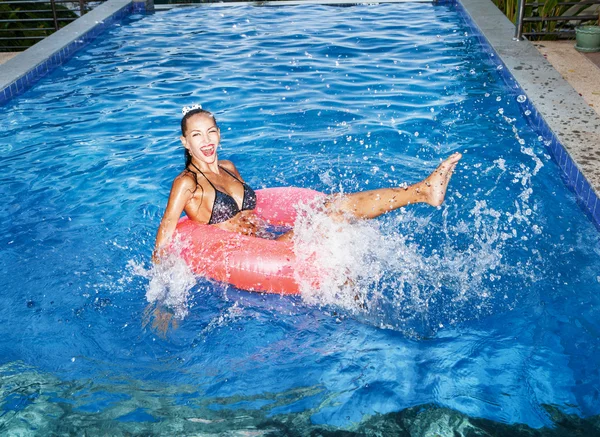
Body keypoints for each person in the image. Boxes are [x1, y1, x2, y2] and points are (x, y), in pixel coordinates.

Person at [153, 106, 462, 262]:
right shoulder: (187, 183)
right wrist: (162, 298)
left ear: (219, 133)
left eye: (211, 132)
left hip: (266, 237)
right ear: (185, 142)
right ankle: (422, 191)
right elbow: (165, 234)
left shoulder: (229, 167)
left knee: (334, 205)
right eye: (196, 135)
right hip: (252, 253)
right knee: (332, 217)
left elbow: (251, 213)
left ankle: (422, 191)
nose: (206, 141)